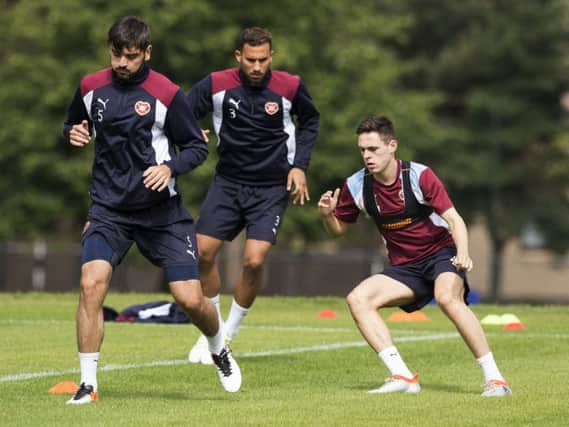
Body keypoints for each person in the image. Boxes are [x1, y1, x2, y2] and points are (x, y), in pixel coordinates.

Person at [63, 16, 241, 404]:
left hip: (162, 214)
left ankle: (218, 346)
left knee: (190, 299)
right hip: (109, 209)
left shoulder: (166, 93)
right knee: (91, 284)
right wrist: (74, 132)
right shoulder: (91, 86)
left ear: (147, 52)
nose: (121, 63)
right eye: (116, 55)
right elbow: (74, 124)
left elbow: (195, 147)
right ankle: (88, 384)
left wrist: (168, 168)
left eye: (130, 56)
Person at [317, 115, 511, 397]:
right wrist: (326, 215)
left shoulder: (419, 175)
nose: (367, 156)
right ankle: (403, 376)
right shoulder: (357, 185)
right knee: (357, 299)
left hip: (441, 254)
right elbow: (337, 231)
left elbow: (455, 220)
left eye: (373, 149)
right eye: (362, 150)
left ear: (392, 145)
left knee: (447, 298)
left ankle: (496, 381)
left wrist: (464, 254)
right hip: (405, 268)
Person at [186, 27, 320, 364]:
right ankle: (213, 331)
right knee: (202, 252)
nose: (257, 66)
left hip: (271, 188)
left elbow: (311, 122)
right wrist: (188, 133)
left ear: (271, 57)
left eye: (263, 60)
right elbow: (180, 111)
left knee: (254, 260)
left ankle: (229, 332)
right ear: (238, 57)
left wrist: (299, 165)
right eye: (250, 60)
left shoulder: (290, 86)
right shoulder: (216, 84)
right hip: (228, 183)